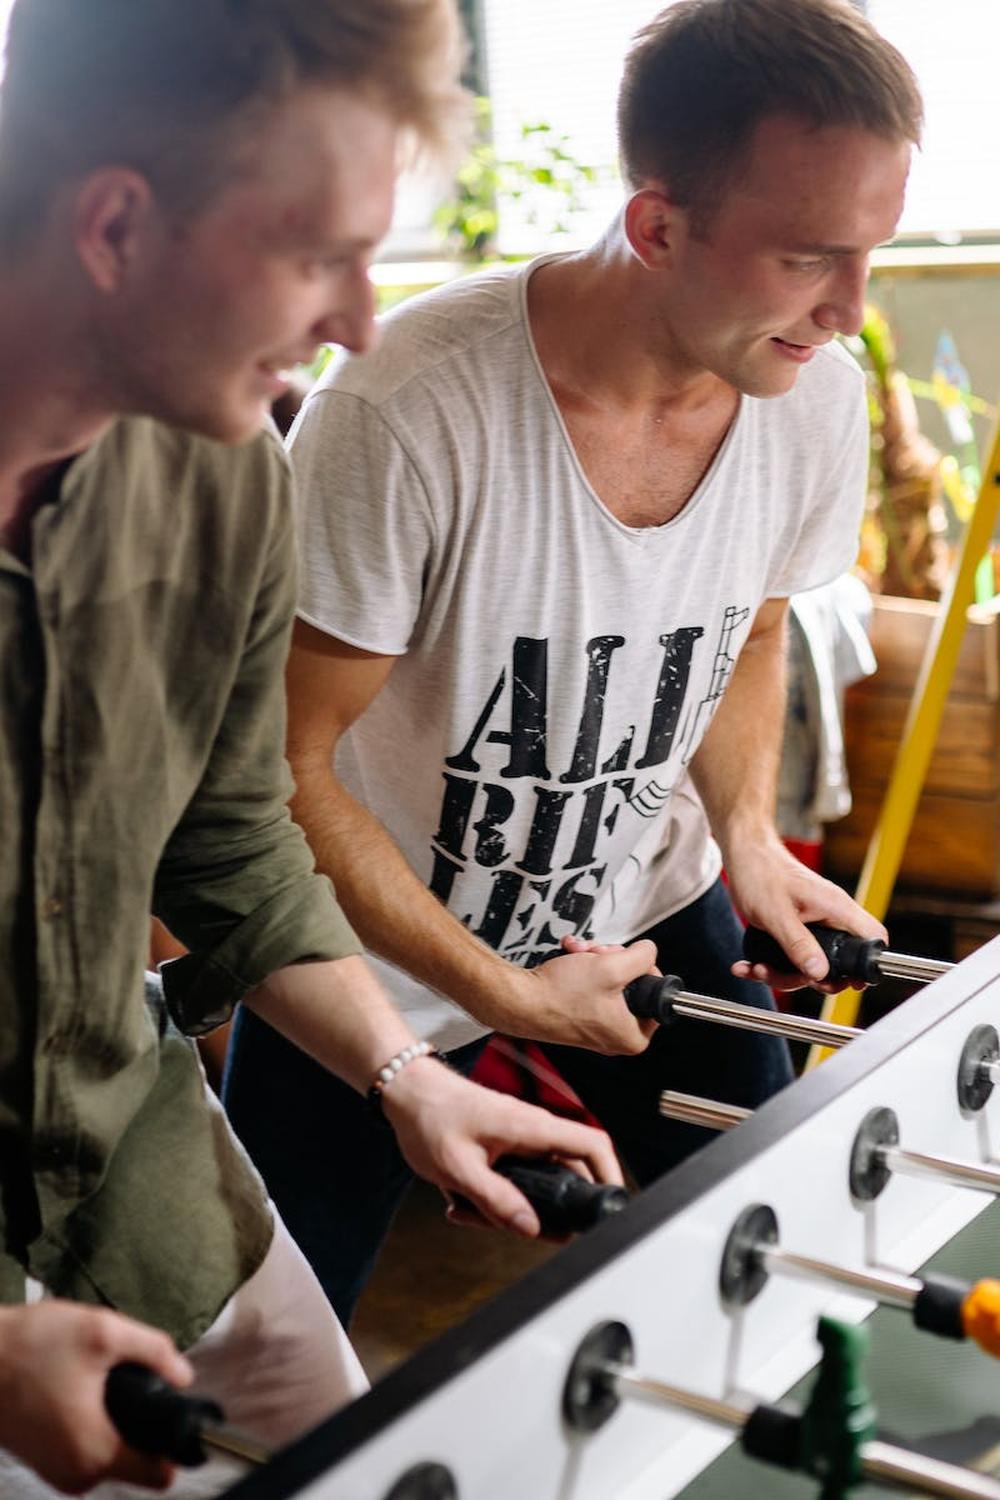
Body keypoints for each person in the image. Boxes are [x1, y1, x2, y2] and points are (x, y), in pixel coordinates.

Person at [0, 2, 627, 1495]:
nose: (358, 320)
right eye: (318, 254)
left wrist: (407, 1075)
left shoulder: (225, 469)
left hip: (145, 1174)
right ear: (114, 226)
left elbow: (228, 839)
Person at [222, 0, 920, 1327]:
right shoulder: (412, 408)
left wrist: (749, 837)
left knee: (767, 1250)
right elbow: (283, 771)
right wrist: (502, 995)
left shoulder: (807, 390)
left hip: (642, 896)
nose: (848, 310)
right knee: (274, 1346)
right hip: (372, 954)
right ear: (658, 228)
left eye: (871, 255)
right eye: (808, 258)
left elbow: (753, 626)